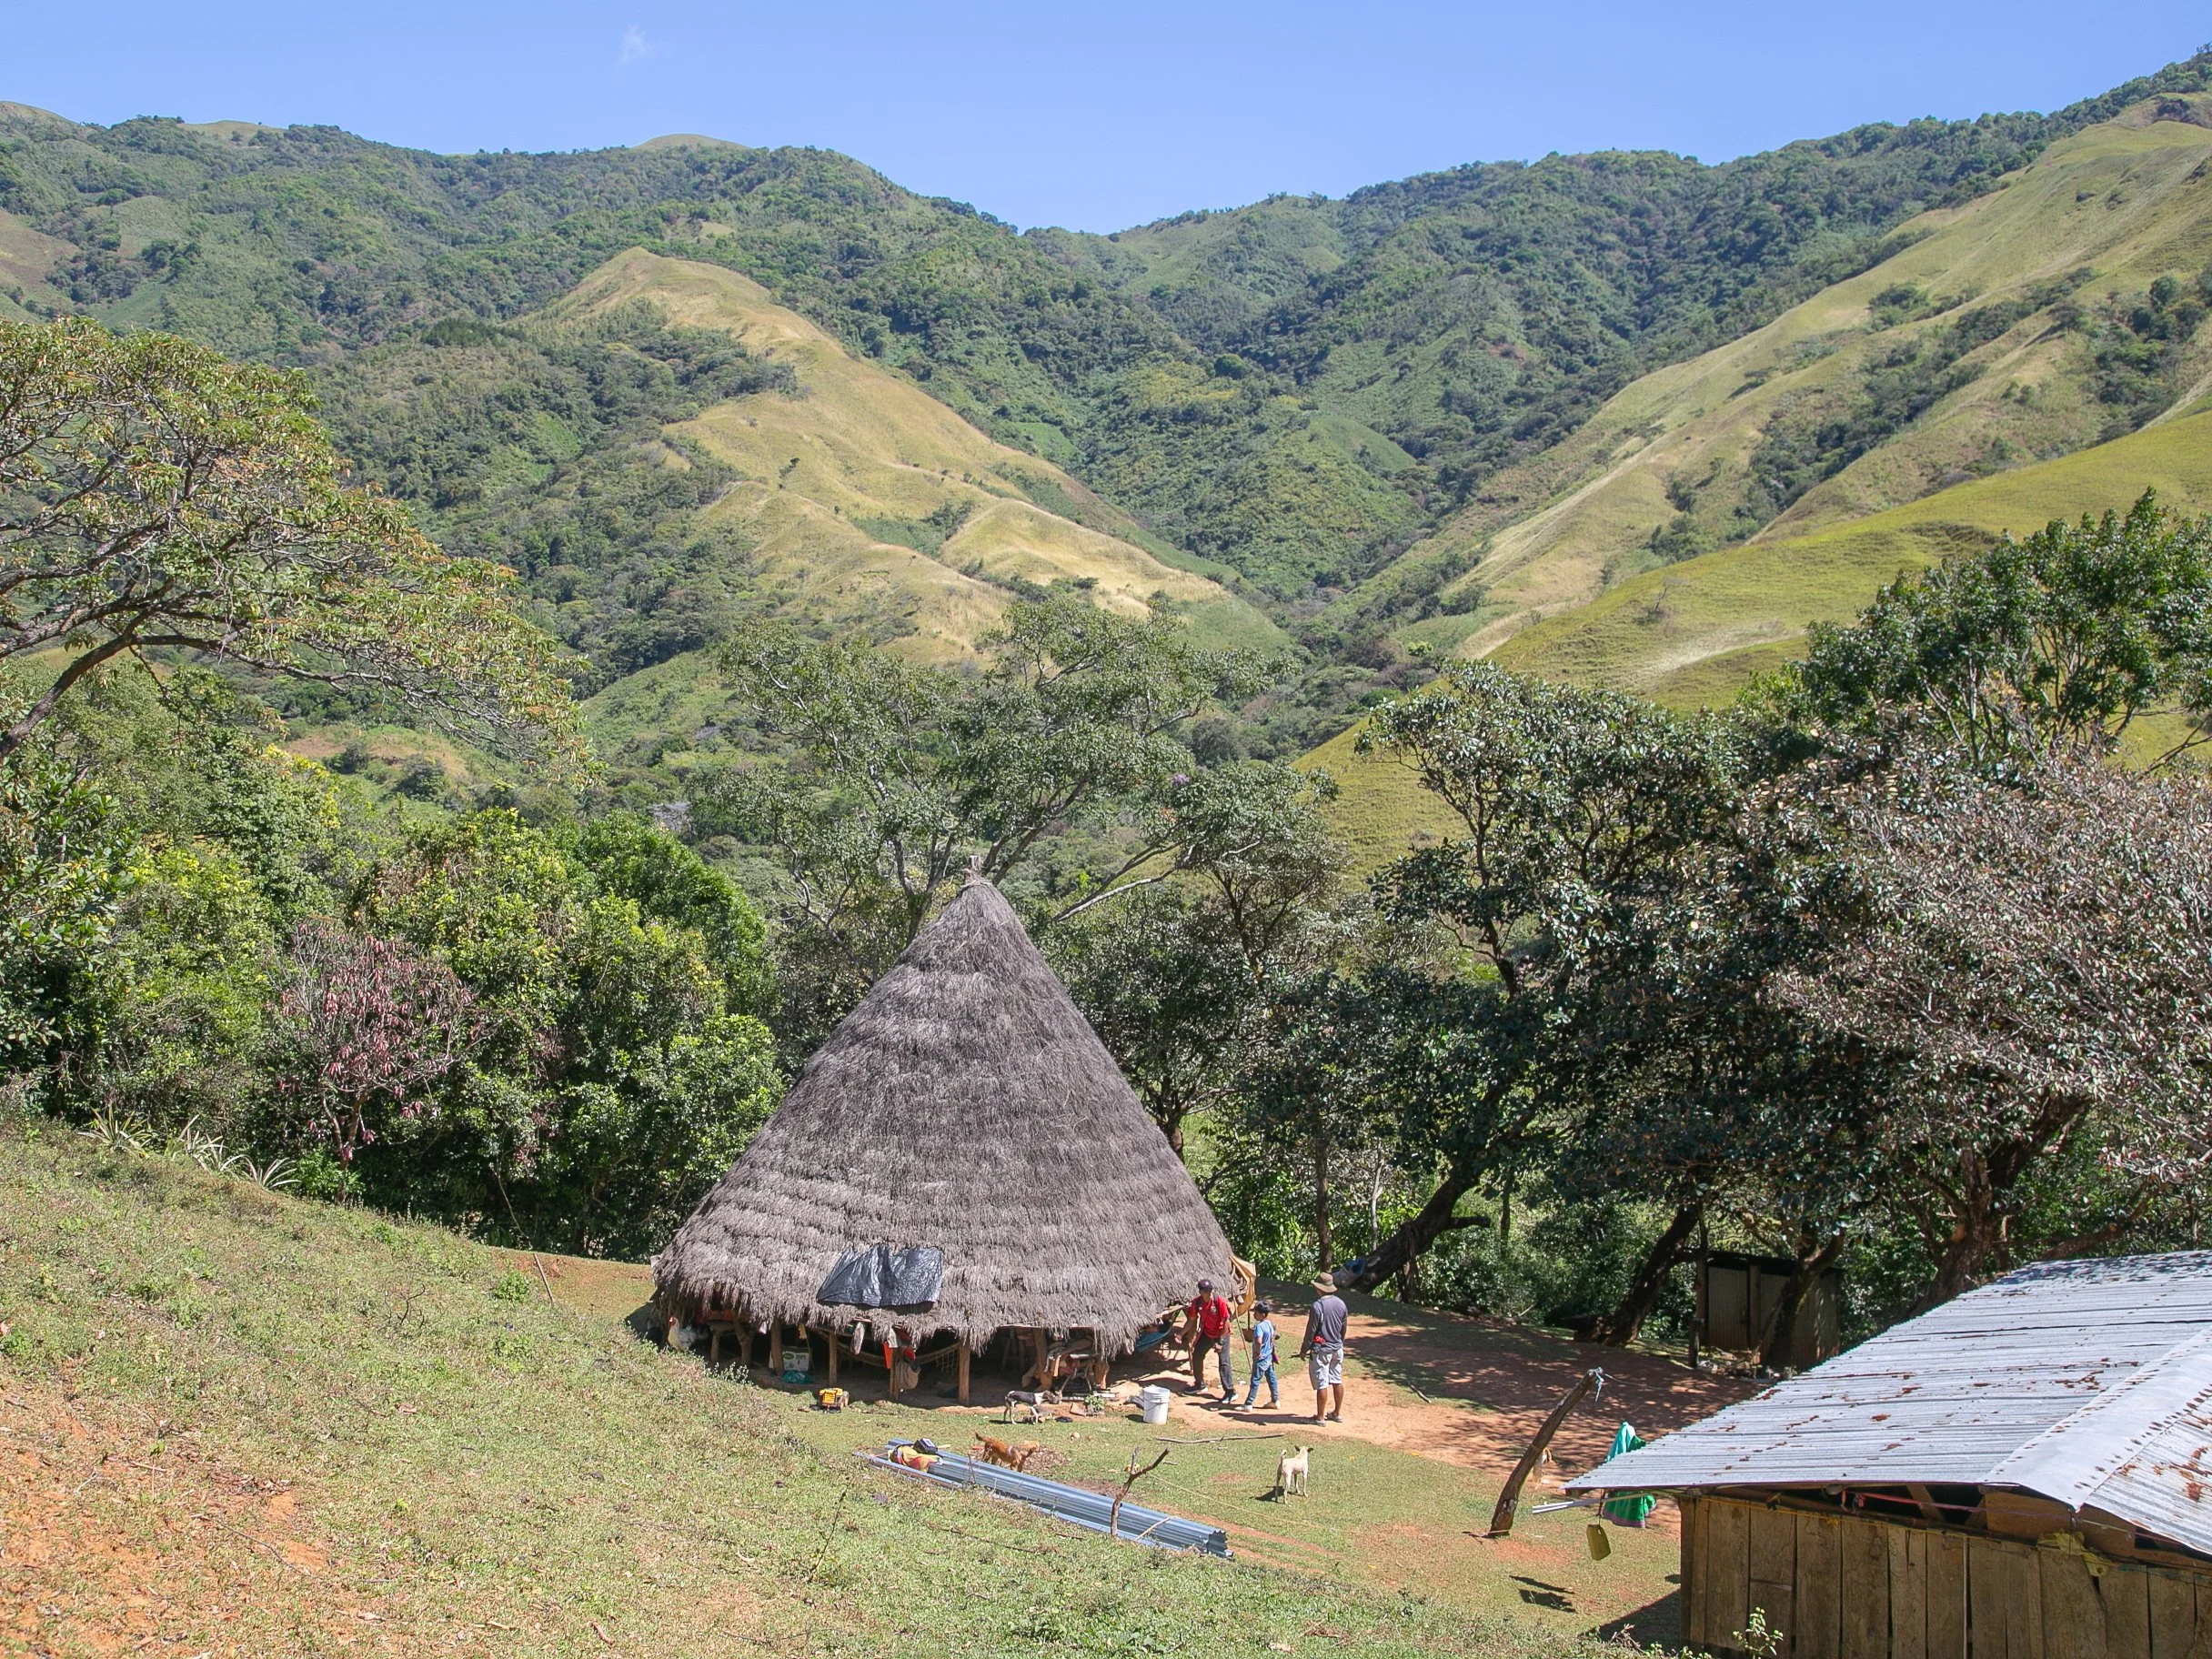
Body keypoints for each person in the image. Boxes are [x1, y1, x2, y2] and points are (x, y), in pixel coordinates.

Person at [1298, 1273, 1348, 1423]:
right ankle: (1337, 1413)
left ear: (1319, 1288)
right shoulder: (1341, 1304)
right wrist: (1340, 1342)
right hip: (1337, 1348)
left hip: (1322, 1350)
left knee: (1322, 1382)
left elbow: (1311, 1330)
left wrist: (1304, 1349)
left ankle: (1320, 1417)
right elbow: (1343, 1328)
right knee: (1336, 1379)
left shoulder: (1317, 1306)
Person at [1181, 1276, 1235, 1401]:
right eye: (1206, 1291)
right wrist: (1181, 1333)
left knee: (1224, 1362)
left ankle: (1230, 1391)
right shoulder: (1197, 1303)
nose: (1210, 1293)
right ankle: (1199, 1384)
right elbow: (1191, 1320)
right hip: (1207, 1333)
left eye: (1211, 1290)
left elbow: (1226, 1322)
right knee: (1197, 1355)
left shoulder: (1218, 1302)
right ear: (1201, 1293)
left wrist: (1221, 1342)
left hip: (1222, 1333)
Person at [1241, 1300, 1279, 1409]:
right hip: (1268, 1357)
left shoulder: (1259, 1327)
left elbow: (1258, 1341)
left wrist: (1257, 1352)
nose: (1254, 1314)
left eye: (1256, 1313)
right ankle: (1275, 1400)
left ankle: (1248, 1403)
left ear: (1262, 1314)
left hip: (1261, 1358)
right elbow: (1272, 1339)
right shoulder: (1269, 1324)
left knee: (1255, 1380)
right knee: (1271, 1379)